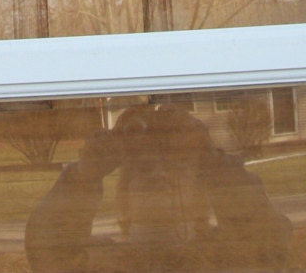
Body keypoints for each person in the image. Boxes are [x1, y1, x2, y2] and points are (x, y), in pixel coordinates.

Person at [24, 103, 291, 272]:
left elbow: (269, 243)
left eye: (176, 169)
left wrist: (212, 158)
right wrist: (84, 176)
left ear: (200, 192)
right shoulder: (101, 264)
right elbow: (45, 251)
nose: (160, 175)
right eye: (144, 169)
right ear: (124, 198)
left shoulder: (223, 257)